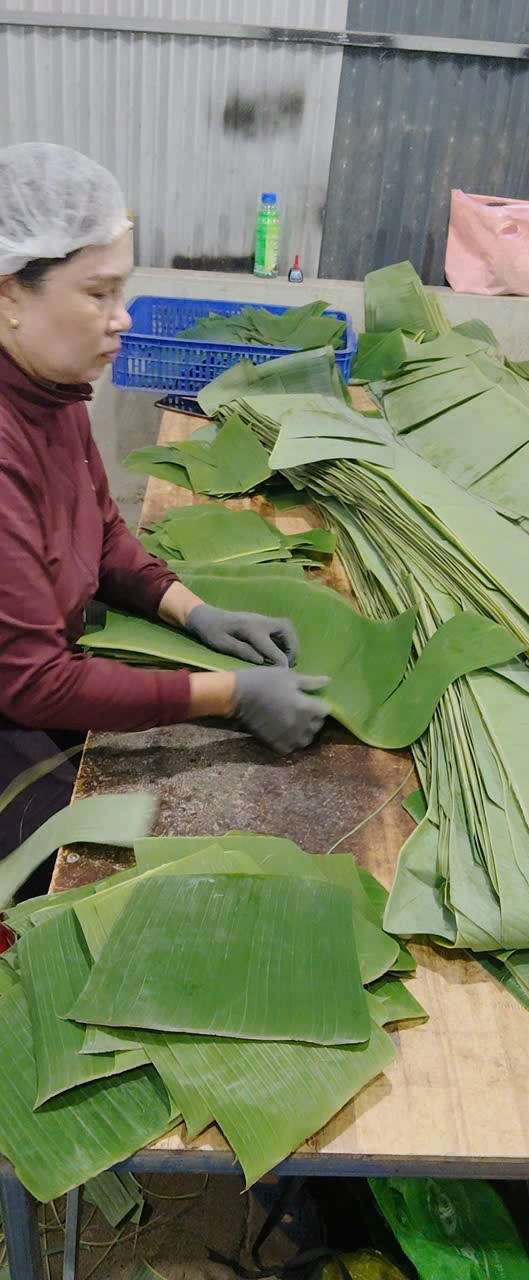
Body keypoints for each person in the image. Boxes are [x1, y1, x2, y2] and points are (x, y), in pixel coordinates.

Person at [0, 142, 329, 867]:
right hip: (14, 710)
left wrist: (195, 611)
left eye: (122, 291)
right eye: (98, 293)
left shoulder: (53, 394)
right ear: (10, 293)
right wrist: (231, 694)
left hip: (34, 683)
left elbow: (103, 532)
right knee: (103, 863)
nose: (121, 317)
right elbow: (34, 683)